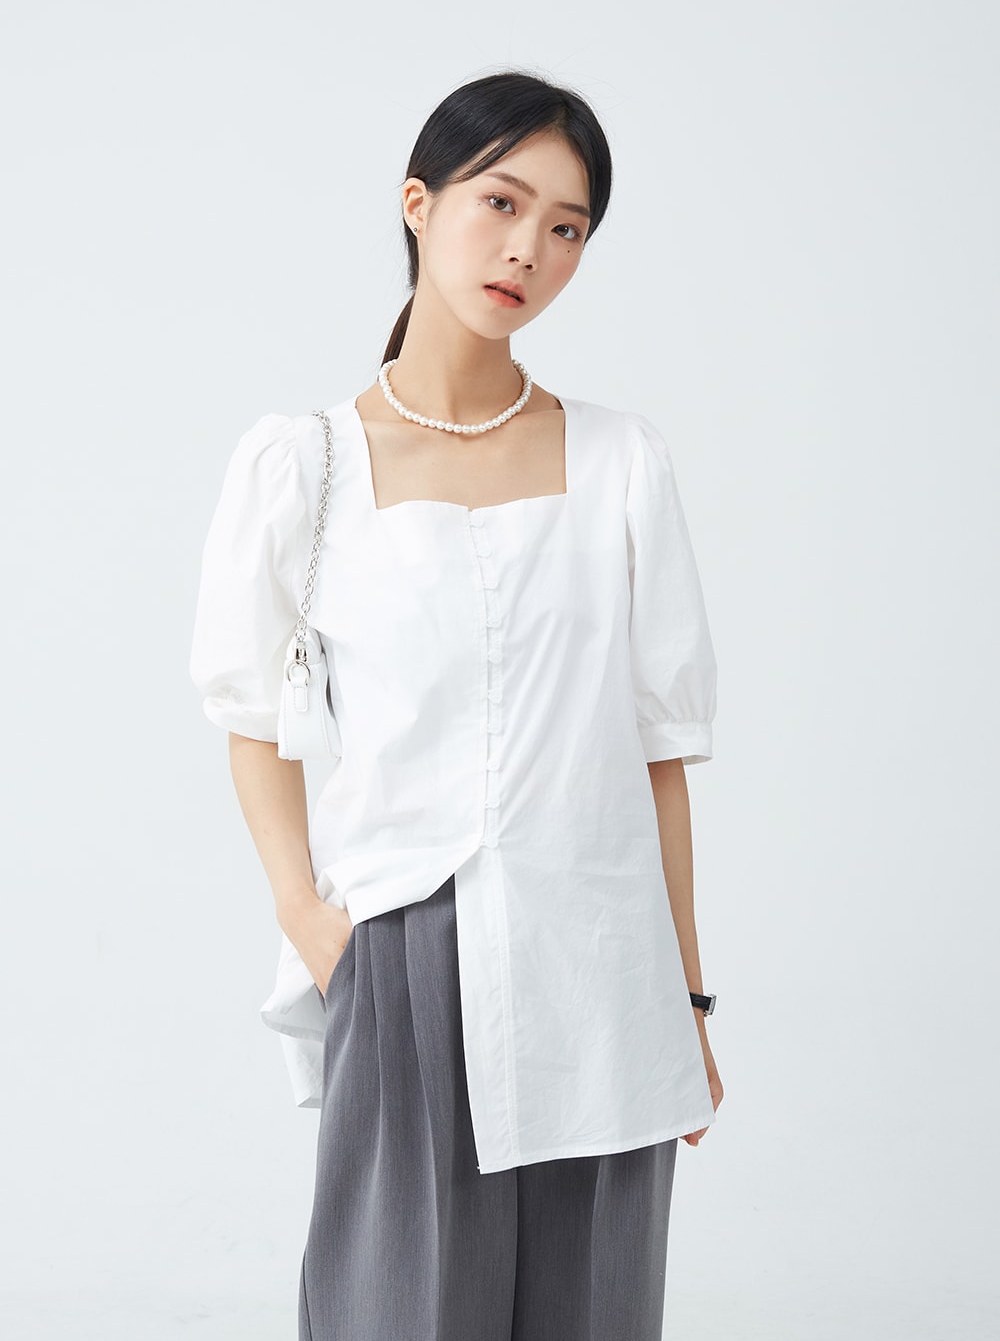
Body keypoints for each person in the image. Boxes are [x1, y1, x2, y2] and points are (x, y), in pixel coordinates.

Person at [190, 69, 724, 1341]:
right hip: (404, 944)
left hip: (601, 961)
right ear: (419, 204)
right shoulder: (305, 464)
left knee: (594, 1310)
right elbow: (253, 716)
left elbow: (657, 752)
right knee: (397, 1309)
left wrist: (690, 1002)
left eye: (567, 226)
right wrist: (312, 919)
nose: (529, 248)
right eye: (501, 202)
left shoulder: (619, 461)